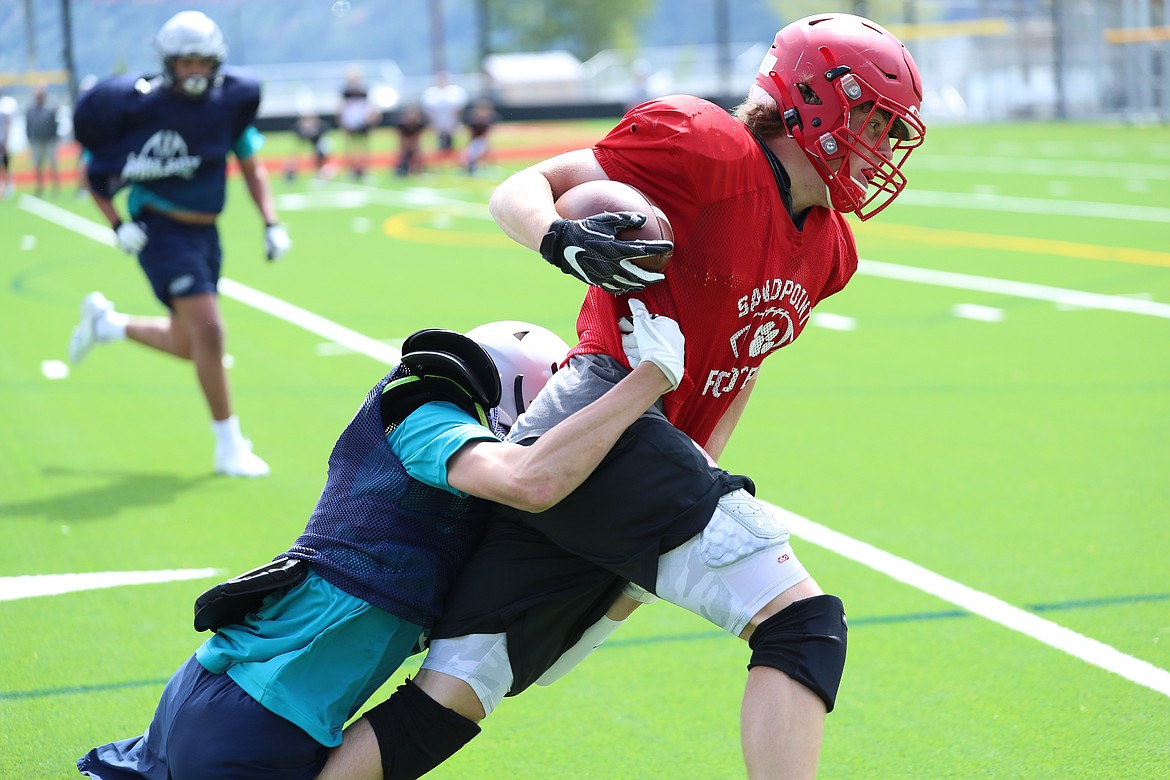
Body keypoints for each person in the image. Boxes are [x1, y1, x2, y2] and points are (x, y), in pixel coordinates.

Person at [320, 12, 925, 780]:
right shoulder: (709, 147)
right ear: (813, 99)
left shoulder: (831, 249)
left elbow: (745, 364)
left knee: (446, 705)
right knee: (802, 623)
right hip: (600, 416)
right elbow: (522, 186)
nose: (879, 143)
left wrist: (699, 466)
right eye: (871, 117)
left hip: (635, 459)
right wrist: (554, 236)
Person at [77, 311, 685, 780]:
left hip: (252, 709)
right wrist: (648, 379)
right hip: (253, 713)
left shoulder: (468, 504)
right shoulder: (424, 413)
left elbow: (536, 654)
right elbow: (532, 478)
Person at [67, 10, 291, 478]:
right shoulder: (139, 108)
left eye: (201, 62)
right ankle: (229, 445)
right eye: (184, 62)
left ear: (216, 63)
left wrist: (271, 221)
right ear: (168, 62)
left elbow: (252, 166)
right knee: (211, 333)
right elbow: (94, 173)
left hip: (207, 232)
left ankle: (108, 325)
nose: (193, 71)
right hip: (161, 230)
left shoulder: (227, 106)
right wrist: (116, 223)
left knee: (191, 343)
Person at [338, 66, 380, 180]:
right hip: (349, 122)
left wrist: (370, 118)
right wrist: (342, 122)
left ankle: (365, 169)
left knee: (364, 146)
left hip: (362, 122)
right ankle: (351, 169)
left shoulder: (363, 91)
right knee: (350, 147)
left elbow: (369, 107)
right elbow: (342, 108)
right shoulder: (345, 92)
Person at [421, 71, 468, 169]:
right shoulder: (431, 94)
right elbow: (428, 112)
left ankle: (459, 163)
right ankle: (437, 164)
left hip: (453, 123)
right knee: (438, 145)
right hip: (437, 124)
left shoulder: (455, 92)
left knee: (456, 144)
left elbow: (460, 110)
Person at [25, 85, 61, 197]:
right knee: (37, 164)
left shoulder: (50, 108)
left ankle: (55, 188)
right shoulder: (31, 110)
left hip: (49, 140)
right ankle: (40, 188)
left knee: (53, 164)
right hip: (36, 141)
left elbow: (55, 125)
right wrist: (29, 139)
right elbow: (28, 125)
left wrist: (54, 138)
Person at [462, 98, 496, 176]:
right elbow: (470, 131)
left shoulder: (489, 118)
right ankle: (471, 168)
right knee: (471, 155)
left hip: (481, 140)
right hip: (474, 140)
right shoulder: (472, 118)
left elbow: (487, 132)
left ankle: (485, 167)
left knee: (483, 154)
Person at [392, 103, 427, 177]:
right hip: (405, 143)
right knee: (404, 154)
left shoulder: (419, 125)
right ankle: (402, 168)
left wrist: (415, 148)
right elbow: (402, 139)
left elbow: (417, 138)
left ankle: (418, 167)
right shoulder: (401, 125)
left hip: (414, 143)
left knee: (417, 152)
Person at [0, 91, 12, 198]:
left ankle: (7, 185)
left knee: (3, 165)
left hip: (1, 143)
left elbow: (7, 127)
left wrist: (6, 142)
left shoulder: (3, 113)